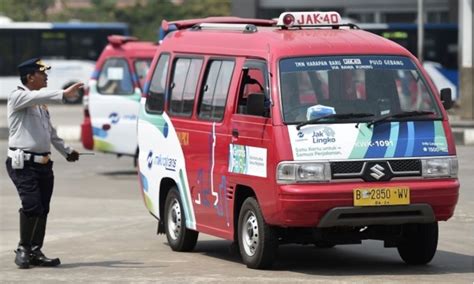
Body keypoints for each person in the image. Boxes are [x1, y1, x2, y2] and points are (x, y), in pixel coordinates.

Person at [5, 58, 83, 269]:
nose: (46, 76)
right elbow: (34, 96)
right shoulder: (18, 96)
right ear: (30, 77)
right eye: (42, 73)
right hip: (23, 164)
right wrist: (63, 94)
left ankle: (35, 251)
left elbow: (50, 132)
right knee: (32, 205)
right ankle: (23, 249)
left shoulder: (40, 105)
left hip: (43, 164)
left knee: (43, 209)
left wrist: (67, 152)